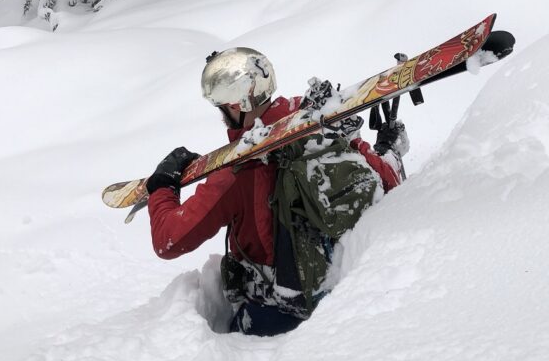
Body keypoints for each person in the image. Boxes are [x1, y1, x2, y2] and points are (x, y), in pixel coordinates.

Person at [146, 47, 407, 336]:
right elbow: (387, 181)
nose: (221, 116)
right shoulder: (318, 123)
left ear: (237, 105)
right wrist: (381, 149)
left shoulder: (236, 173)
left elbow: (168, 240)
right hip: (337, 295)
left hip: (273, 316)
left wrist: (161, 187)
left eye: (222, 108)